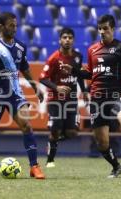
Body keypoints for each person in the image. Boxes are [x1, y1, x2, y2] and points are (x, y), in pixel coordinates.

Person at [63, 15, 121, 178]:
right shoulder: (92, 50)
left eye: (105, 28)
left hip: (115, 95)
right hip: (97, 98)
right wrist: (74, 71)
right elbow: (90, 73)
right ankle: (116, 166)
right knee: (102, 142)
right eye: (100, 28)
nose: (102, 31)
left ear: (113, 29)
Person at [0, 12, 45, 179]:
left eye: (15, 25)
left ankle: (34, 166)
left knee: (26, 125)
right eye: (11, 25)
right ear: (1, 26)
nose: (14, 28)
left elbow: (25, 69)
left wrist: (35, 87)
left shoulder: (20, 47)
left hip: (15, 94)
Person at [39, 28, 89, 168]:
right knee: (55, 130)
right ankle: (50, 160)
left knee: (72, 132)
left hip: (72, 100)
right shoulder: (54, 58)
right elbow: (42, 78)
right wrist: (57, 88)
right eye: (65, 37)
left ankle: (52, 141)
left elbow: (79, 74)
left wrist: (84, 91)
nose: (67, 40)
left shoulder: (78, 57)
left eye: (70, 37)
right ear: (60, 40)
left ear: (73, 40)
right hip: (55, 100)